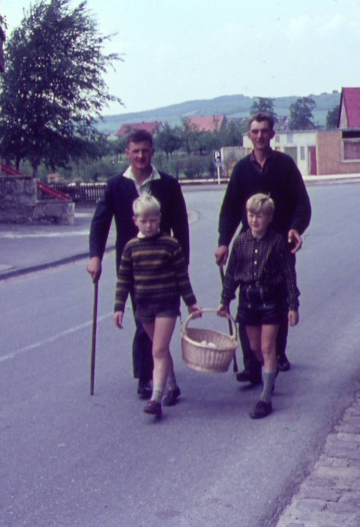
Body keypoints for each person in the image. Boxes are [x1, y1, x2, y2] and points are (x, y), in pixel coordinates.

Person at [88, 129, 191, 399]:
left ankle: (157, 376)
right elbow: (100, 222)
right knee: (143, 318)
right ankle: (146, 376)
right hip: (132, 264)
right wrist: (95, 256)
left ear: (152, 152)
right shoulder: (115, 185)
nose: (141, 156)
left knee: (161, 319)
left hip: (163, 263)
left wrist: (183, 265)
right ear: (127, 153)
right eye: (135, 151)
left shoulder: (168, 184)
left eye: (145, 150)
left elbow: (181, 226)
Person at [214, 112, 311, 385]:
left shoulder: (285, 166)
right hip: (249, 246)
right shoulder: (242, 170)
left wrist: (296, 228)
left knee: (277, 303)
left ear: (272, 135)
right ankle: (252, 365)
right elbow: (230, 209)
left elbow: (302, 204)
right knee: (248, 305)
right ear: (249, 135)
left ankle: (277, 354)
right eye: (254, 131)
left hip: (279, 244)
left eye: (264, 131)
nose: (259, 136)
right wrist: (224, 241)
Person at [114, 194, 202, 418]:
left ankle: (156, 398)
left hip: (166, 304)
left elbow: (182, 277)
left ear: (160, 218)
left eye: (153, 220)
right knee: (159, 349)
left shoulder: (170, 244)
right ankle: (172, 385)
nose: (149, 225)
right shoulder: (131, 248)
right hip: (144, 306)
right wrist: (118, 307)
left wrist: (191, 302)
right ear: (135, 221)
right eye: (144, 221)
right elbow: (124, 279)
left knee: (158, 350)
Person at [217, 193, 299, 419]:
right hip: (248, 300)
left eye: (260, 216)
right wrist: (225, 300)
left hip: (272, 300)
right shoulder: (240, 241)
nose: (254, 220)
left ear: (269, 218)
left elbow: (289, 276)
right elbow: (232, 274)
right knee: (254, 347)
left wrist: (293, 305)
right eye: (251, 215)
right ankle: (268, 373)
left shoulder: (278, 242)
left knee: (267, 347)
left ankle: (265, 398)